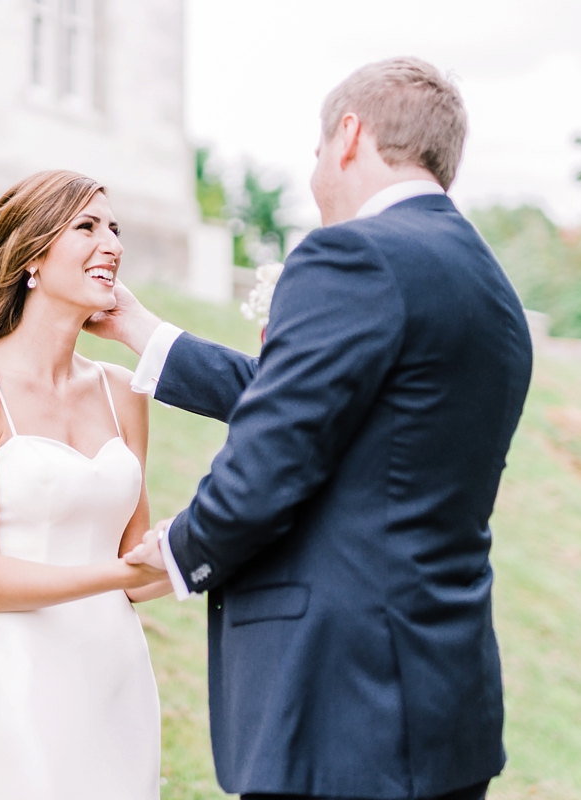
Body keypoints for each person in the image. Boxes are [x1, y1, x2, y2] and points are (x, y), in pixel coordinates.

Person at [88, 57, 534, 800]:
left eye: (317, 149)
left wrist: (175, 553)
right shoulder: (492, 289)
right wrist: (147, 333)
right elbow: (327, 413)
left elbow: (270, 461)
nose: (315, 171)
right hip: (445, 702)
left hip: (344, 706)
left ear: (350, 136)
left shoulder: (354, 255)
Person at [0, 170, 171, 800]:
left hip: (118, 678)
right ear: (33, 254)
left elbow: (140, 566)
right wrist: (121, 576)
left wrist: (192, 546)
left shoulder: (124, 391)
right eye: (86, 227)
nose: (111, 243)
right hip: (23, 680)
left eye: (115, 228)